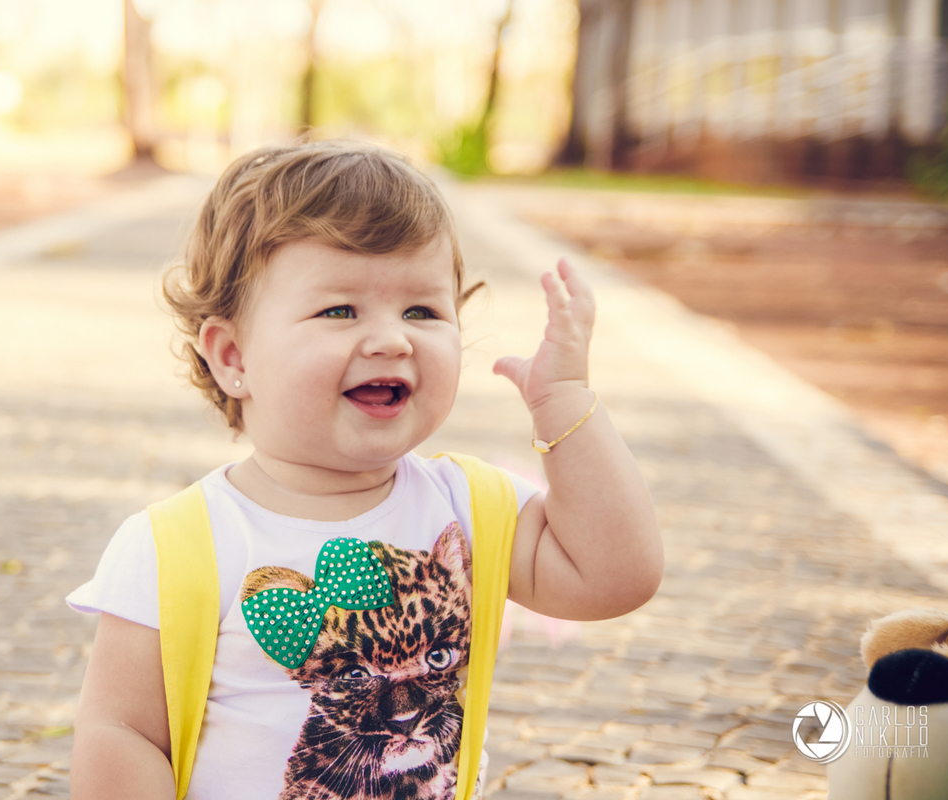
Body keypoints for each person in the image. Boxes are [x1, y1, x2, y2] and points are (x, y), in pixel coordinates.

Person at [66, 140, 663, 800]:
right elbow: (120, 732)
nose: (391, 338)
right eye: (340, 310)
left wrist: (564, 403)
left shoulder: (471, 509)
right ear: (233, 355)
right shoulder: (173, 548)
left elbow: (617, 575)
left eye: (422, 311)